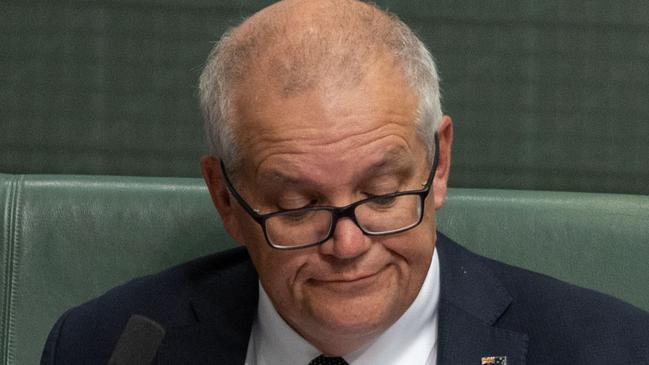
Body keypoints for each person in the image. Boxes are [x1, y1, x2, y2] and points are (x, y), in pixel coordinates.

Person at [41, 0, 649, 364]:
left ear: (438, 165)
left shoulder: (612, 350)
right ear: (226, 197)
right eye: (297, 206)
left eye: (383, 194)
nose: (348, 246)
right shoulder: (105, 346)